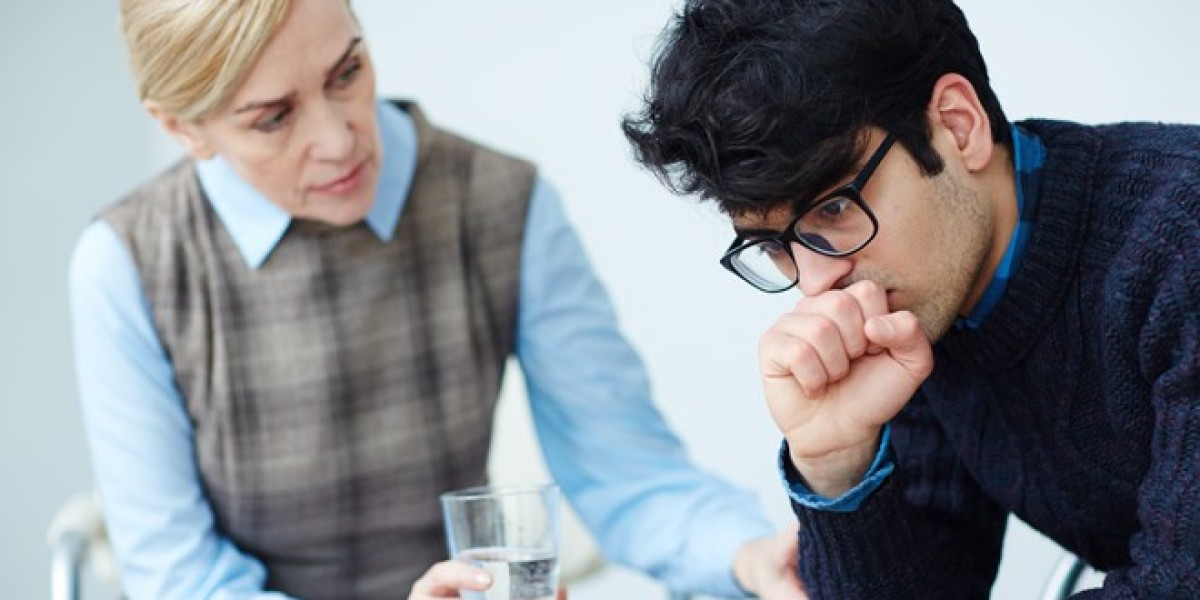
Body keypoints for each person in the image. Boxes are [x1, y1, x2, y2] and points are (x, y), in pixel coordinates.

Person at [68, 1, 807, 599]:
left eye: (347, 72)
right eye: (273, 118)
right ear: (179, 127)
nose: (339, 139)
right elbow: (180, 578)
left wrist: (748, 557)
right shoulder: (128, 265)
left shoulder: (502, 204)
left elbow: (629, 471)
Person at [621, 0, 1200, 597]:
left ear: (957, 124)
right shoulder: (920, 309)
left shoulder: (1182, 238)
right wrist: (837, 465)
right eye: (772, 245)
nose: (816, 283)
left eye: (836, 208)